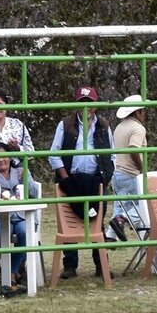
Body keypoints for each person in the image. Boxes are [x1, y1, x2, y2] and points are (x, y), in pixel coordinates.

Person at [48, 85, 114, 280]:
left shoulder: (104, 125)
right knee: (68, 219)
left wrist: (104, 177)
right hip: (70, 178)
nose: (87, 107)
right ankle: (70, 265)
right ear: (77, 104)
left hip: (95, 179)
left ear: (95, 105)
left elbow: (111, 155)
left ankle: (102, 264)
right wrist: (64, 178)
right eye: (82, 102)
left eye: (90, 103)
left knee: (97, 220)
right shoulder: (66, 124)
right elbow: (54, 153)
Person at [0, 143, 33, 285]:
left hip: (21, 215)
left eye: (3, 155)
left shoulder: (21, 171)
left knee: (24, 232)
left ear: (10, 157)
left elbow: (34, 193)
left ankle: (10, 271)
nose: (0, 159)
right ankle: (11, 272)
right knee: (2, 233)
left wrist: (25, 177)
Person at [109, 95, 147, 241]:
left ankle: (110, 235)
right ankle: (122, 220)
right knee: (145, 205)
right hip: (131, 173)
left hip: (118, 173)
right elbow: (133, 149)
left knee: (119, 206)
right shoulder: (138, 128)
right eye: (143, 111)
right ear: (138, 112)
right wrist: (141, 169)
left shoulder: (120, 127)